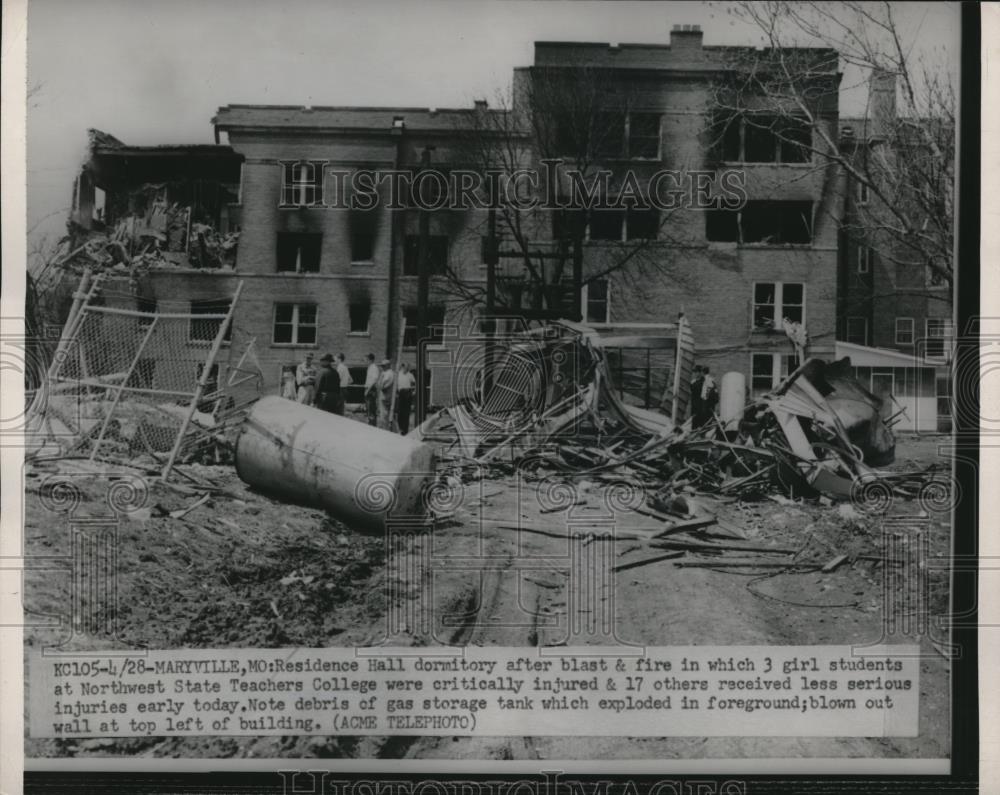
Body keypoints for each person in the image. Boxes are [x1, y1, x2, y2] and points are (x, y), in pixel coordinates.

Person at [396, 362, 417, 435]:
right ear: (402, 367)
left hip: (408, 393)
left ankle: (405, 430)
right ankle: (400, 428)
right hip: (400, 393)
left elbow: (414, 384)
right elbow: (395, 385)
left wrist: (414, 392)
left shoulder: (410, 375)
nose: (406, 369)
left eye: (408, 367)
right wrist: (396, 393)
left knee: (406, 413)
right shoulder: (398, 374)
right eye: (405, 367)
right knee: (400, 412)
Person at [376, 358, 395, 430]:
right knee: (387, 415)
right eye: (382, 366)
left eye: (383, 366)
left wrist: (380, 382)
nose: (382, 367)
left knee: (384, 416)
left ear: (388, 366)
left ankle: (387, 431)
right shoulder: (386, 373)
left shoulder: (389, 374)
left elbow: (382, 386)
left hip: (386, 396)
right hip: (385, 396)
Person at [363, 353, 379, 426]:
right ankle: (370, 424)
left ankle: (372, 426)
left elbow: (374, 380)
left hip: (371, 390)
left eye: (366, 360)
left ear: (370, 360)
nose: (365, 361)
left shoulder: (374, 368)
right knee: (368, 410)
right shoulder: (370, 367)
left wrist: (368, 390)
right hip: (369, 390)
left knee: (371, 409)